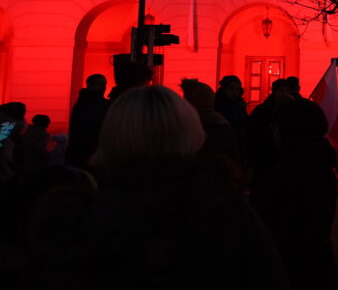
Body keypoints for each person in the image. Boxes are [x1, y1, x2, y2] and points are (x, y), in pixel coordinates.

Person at [28, 85, 289, 289]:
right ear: (190, 132)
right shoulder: (222, 208)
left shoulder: (71, 215)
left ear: (112, 133)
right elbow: (267, 278)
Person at [252, 99, 337, 289]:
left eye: (276, 125)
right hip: (318, 266)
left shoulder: (288, 173)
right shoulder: (319, 163)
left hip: (290, 268)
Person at [180, 78, 240, 168]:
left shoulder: (181, 124)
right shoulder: (220, 124)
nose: (235, 93)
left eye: (237, 89)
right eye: (231, 89)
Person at [244, 79, 294, 183]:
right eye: (281, 90)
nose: (284, 94)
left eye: (287, 91)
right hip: (265, 160)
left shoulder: (292, 110)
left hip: (286, 161)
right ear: (274, 92)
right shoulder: (262, 111)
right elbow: (251, 137)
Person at [65, 74, 109, 168]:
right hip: (87, 151)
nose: (104, 87)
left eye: (104, 84)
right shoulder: (88, 105)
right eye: (100, 84)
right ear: (90, 85)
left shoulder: (82, 103)